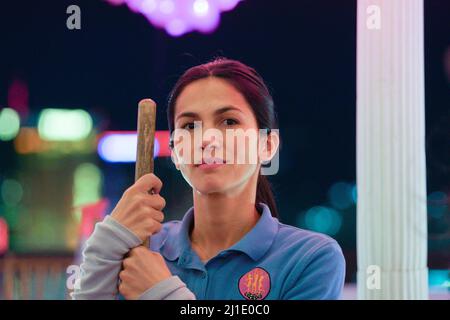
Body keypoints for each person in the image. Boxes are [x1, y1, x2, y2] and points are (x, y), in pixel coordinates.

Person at [72, 58, 345, 300]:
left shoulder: (309, 259)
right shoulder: (140, 250)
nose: (207, 139)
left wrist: (162, 293)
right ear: (177, 152)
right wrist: (107, 243)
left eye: (228, 122)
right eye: (190, 126)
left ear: (268, 145)